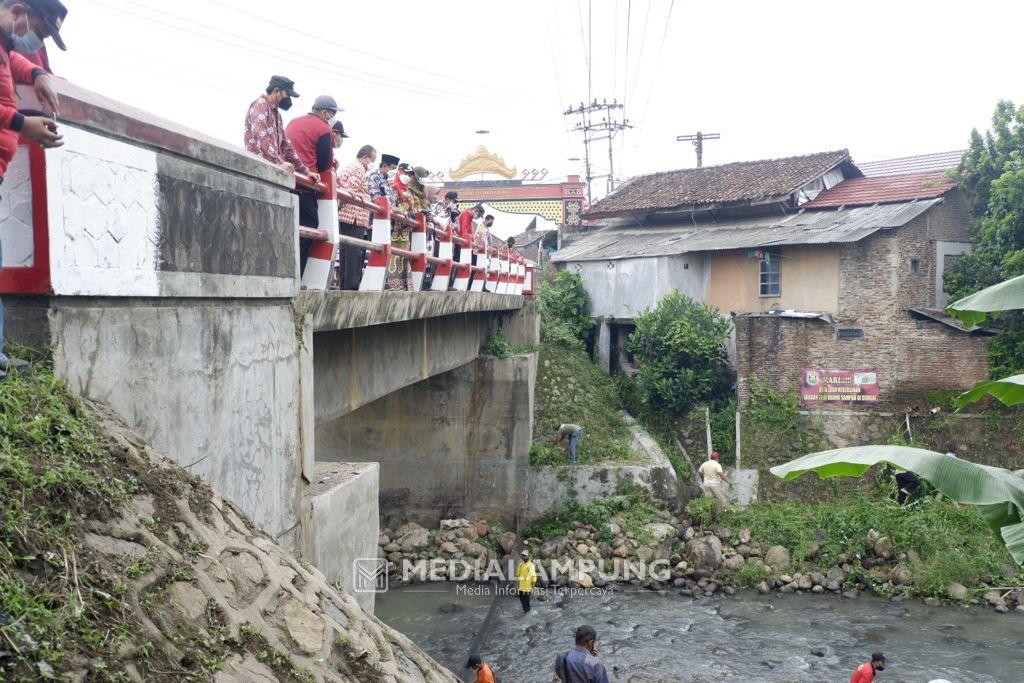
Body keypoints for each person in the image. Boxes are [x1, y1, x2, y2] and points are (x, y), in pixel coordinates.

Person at [0, 0, 65, 381]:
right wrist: (22, 122)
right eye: (21, 19)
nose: (26, 32)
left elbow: (16, 62)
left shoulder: (5, 45)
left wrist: (38, 71)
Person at [284, 95, 341, 273]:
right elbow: (324, 165)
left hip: (286, 182)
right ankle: (296, 277)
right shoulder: (324, 129)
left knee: (287, 230)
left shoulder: (293, 121)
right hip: (306, 186)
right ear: (324, 112)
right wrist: (333, 165)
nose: (333, 118)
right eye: (332, 114)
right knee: (308, 230)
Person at [244, 76, 315, 180]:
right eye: (287, 95)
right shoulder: (260, 105)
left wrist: (305, 171)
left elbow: (286, 146)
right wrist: (278, 162)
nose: (288, 100)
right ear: (276, 91)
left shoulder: (277, 115)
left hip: (270, 171)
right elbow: (260, 136)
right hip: (256, 170)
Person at [336, 145, 376, 290]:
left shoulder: (350, 167)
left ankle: (345, 286)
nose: (372, 164)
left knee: (346, 252)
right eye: (372, 160)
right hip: (355, 216)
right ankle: (351, 288)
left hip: (346, 215)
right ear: (365, 157)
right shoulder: (359, 169)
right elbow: (350, 191)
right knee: (354, 253)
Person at [10, 0, 61, 71]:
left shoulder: (37, 47)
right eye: (38, 31)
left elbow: (46, 74)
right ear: (17, 12)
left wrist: (38, 75)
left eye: (43, 37)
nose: (37, 41)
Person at [515, 549, 537, 614]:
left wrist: (532, 588)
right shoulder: (521, 564)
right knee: (522, 602)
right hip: (521, 587)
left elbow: (534, 577)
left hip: (528, 588)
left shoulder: (531, 566)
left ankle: (527, 615)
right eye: (522, 555)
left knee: (526, 603)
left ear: (528, 556)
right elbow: (518, 574)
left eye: (525, 555)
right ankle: (526, 613)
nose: (523, 556)